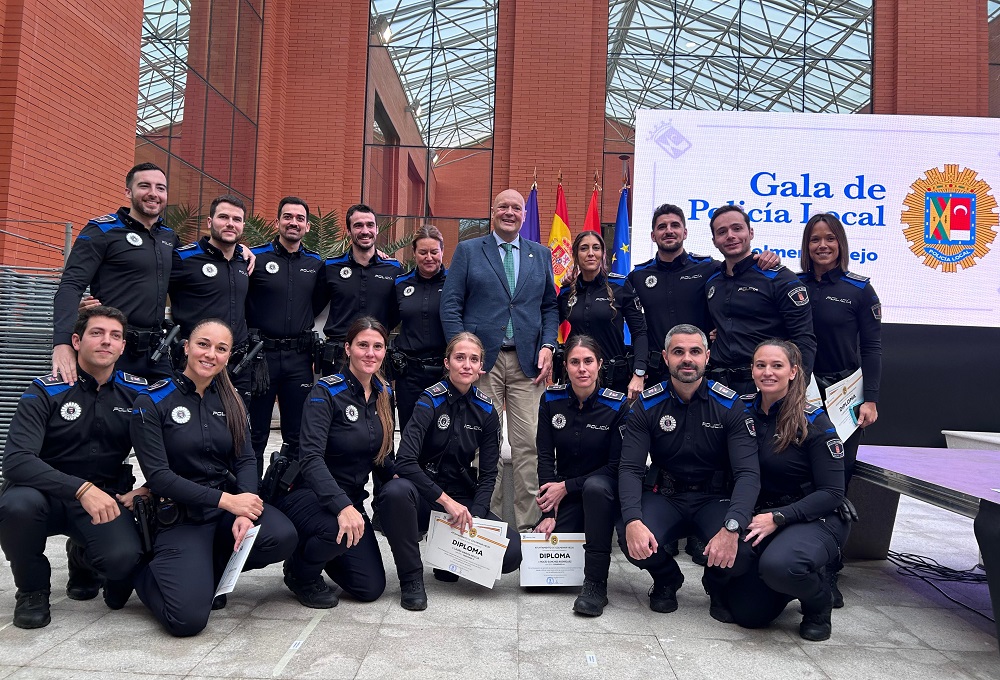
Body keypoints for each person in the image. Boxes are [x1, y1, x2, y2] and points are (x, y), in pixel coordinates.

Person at [130, 319, 297, 637]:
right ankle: (139, 572)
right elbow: (160, 477)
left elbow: (246, 457)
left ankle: (206, 572)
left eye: (221, 348)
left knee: (281, 535)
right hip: (181, 516)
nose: (211, 354)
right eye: (203, 344)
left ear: (229, 355)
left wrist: (245, 506)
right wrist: (230, 502)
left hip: (224, 508)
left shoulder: (231, 400)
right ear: (186, 347)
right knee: (187, 622)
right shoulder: (151, 401)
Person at [0, 306, 147, 628]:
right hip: (42, 495)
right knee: (17, 506)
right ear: (77, 341)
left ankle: (82, 556)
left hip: (103, 500)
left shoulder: (138, 394)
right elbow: (16, 460)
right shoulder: (45, 391)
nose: (106, 342)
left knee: (122, 560)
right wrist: (80, 489)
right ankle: (32, 590)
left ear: (123, 347)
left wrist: (149, 488)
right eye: (97, 333)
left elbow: (167, 449)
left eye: (115, 336)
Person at [618, 324, 759, 622]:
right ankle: (668, 578)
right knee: (632, 540)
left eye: (695, 351)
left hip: (714, 499)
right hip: (666, 496)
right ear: (666, 357)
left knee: (742, 552)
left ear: (707, 357)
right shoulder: (647, 405)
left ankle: (716, 583)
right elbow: (630, 468)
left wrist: (732, 527)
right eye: (678, 352)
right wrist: (632, 519)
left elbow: (748, 473)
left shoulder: (730, 405)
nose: (687, 359)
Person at [440, 188, 559, 532]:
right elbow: (451, 304)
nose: (510, 212)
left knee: (530, 446)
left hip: (528, 365)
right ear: (492, 211)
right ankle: (482, 523)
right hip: (482, 365)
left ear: (524, 215)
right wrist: (461, 352)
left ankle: (526, 527)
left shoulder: (540, 253)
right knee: (481, 443)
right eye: (503, 206)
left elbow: (550, 306)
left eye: (516, 208)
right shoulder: (468, 250)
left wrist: (549, 345)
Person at [380, 332, 522, 610]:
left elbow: (489, 474)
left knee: (512, 552)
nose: (466, 365)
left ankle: (449, 554)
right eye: (460, 358)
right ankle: (411, 579)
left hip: (461, 497)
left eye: (473, 359)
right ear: (447, 363)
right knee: (395, 491)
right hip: (425, 495)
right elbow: (405, 461)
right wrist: (446, 502)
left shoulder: (486, 411)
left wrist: (476, 520)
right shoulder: (428, 401)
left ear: (481, 367)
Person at [726, 339, 848, 642]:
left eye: (777, 366)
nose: (768, 372)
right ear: (752, 370)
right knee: (747, 615)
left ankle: (818, 601)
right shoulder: (740, 410)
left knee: (781, 567)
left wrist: (779, 517)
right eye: (760, 365)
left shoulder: (814, 421)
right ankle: (785, 580)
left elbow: (833, 492)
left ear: (793, 371)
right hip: (762, 516)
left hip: (812, 516)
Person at [276, 317, 395, 608]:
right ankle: (300, 572)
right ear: (347, 348)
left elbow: (384, 460)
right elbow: (311, 458)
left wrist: (413, 489)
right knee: (335, 534)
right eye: (362, 345)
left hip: (351, 500)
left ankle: (322, 548)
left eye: (377, 346)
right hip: (309, 495)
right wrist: (342, 507)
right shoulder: (326, 392)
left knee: (369, 587)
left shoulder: (384, 394)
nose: (370, 353)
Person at [797, 212, 881, 606]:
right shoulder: (792, 286)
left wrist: (872, 398)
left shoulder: (860, 290)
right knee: (801, 478)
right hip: (802, 395)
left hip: (846, 398)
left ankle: (830, 568)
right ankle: (802, 556)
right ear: (806, 245)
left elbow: (873, 348)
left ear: (840, 243)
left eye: (830, 238)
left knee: (836, 484)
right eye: (815, 239)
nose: (822, 246)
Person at [52, 163, 178, 381]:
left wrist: (239, 251)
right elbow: (71, 285)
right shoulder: (102, 230)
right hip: (110, 348)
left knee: (163, 411)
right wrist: (62, 343)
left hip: (155, 352)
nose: (153, 193)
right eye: (144, 186)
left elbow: (198, 266)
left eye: (160, 188)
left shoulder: (169, 237)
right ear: (128, 191)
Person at [535, 335, 627, 617]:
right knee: (541, 568)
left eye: (588, 361)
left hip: (602, 491)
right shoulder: (551, 400)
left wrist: (566, 486)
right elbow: (544, 457)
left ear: (599, 365)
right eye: (574, 362)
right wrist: (547, 512)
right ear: (566, 366)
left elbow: (616, 466)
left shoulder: (617, 406)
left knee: (597, 488)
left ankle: (596, 585)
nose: (582, 369)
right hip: (566, 494)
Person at [247, 196, 327, 475]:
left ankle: (286, 491)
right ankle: (252, 494)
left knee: (296, 434)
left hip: (299, 358)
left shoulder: (316, 265)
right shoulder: (256, 259)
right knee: (255, 433)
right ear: (277, 221)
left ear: (307, 226)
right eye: (288, 217)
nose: (294, 222)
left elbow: (318, 302)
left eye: (300, 218)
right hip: (261, 358)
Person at [705, 205, 816, 395]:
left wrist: (795, 391)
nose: (730, 236)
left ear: (751, 232)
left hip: (764, 388)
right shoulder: (712, 282)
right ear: (714, 241)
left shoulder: (779, 278)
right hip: (718, 389)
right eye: (722, 232)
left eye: (737, 228)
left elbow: (804, 339)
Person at [169, 195, 253, 407]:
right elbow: (149, 290)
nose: (230, 224)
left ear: (243, 225)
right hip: (198, 362)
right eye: (223, 217)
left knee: (239, 430)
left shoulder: (244, 261)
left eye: (236, 219)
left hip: (238, 365)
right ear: (209, 222)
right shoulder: (183, 259)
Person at [558, 231, 647, 399]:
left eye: (596, 248)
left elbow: (640, 332)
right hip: (578, 378)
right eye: (584, 248)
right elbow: (548, 323)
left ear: (603, 254)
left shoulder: (620, 286)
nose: (591, 253)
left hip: (614, 378)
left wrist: (639, 373)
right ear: (576, 254)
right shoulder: (567, 291)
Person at [319, 204, 402, 373]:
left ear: (377, 229)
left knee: (378, 400)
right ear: (348, 231)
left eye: (370, 225)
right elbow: (314, 305)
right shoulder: (330, 267)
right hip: (338, 356)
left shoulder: (393, 270)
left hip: (376, 355)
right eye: (358, 225)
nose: (365, 231)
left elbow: (397, 312)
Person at [391, 225, 448, 430]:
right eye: (423, 252)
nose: (429, 257)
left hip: (444, 370)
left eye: (434, 252)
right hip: (409, 372)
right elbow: (387, 319)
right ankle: (409, 463)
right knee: (410, 427)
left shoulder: (454, 283)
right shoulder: (399, 283)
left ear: (442, 251)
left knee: (441, 428)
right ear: (414, 253)